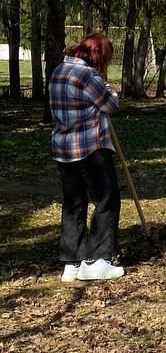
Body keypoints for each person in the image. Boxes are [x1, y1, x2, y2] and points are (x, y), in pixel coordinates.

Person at [49, 32, 124, 282]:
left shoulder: (59, 71)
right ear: (98, 56)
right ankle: (99, 259)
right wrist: (110, 90)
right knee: (106, 198)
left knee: (74, 203)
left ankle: (73, 262)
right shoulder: (87, 75)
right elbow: (110, 104)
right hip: (90, 148)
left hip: (64, 149)